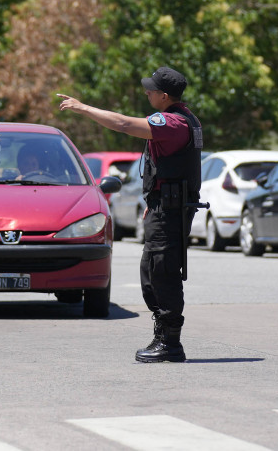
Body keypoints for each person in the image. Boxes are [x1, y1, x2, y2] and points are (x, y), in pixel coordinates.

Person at [58, 66, 203, 363]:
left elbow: (124, 125)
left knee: (163, 272)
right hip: (165, 206)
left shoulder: (173, 122)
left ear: (164, 96)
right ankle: (164, 337)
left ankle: (170, 343)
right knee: (151, 270)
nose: (146, 92)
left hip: (170, 212)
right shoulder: (180, 118)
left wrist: (82, 108)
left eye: (151, 90)